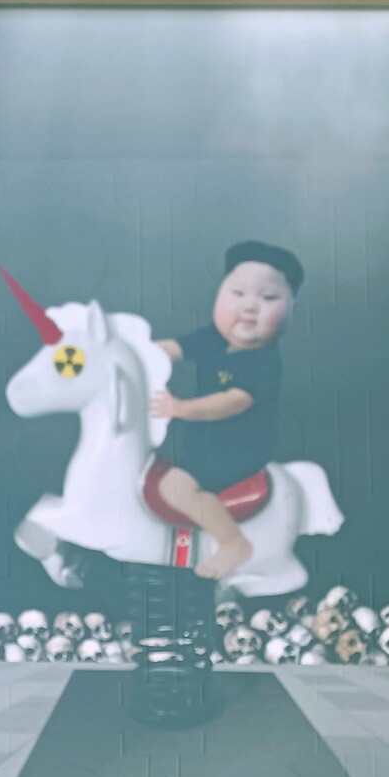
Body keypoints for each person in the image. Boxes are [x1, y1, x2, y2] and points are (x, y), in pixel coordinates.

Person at [149, 240, 304, 580]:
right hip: (204, 442)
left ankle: (233, 543)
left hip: (239, 448)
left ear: (292, 308)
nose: (250, 306)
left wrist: (181, 408)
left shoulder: (262, 361)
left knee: (174, 487)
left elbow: (234, 400)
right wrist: (135, 351)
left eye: (268, 298)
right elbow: (173, 348)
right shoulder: (213, 340)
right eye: (238, 293)